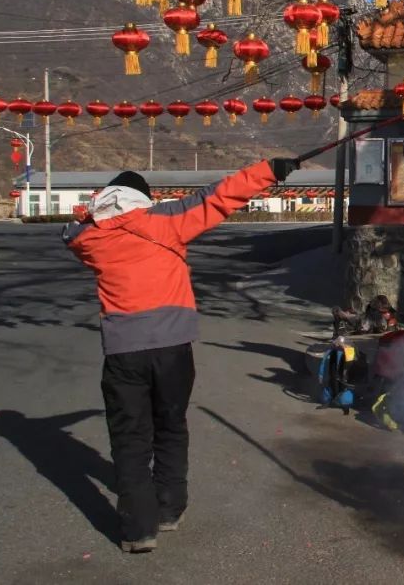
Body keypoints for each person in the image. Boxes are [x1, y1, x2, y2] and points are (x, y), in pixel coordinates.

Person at [61, 157, 297, 553]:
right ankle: (169, 509)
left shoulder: (91, 239)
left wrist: (93, 213)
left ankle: (138, 530)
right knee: (170, 426)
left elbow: (70, 233)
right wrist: (270, 169)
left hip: (123, 352)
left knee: (130, 437)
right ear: (143, 200)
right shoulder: (166, 221)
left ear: (107, 200)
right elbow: (220, 197)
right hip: (173, 350)